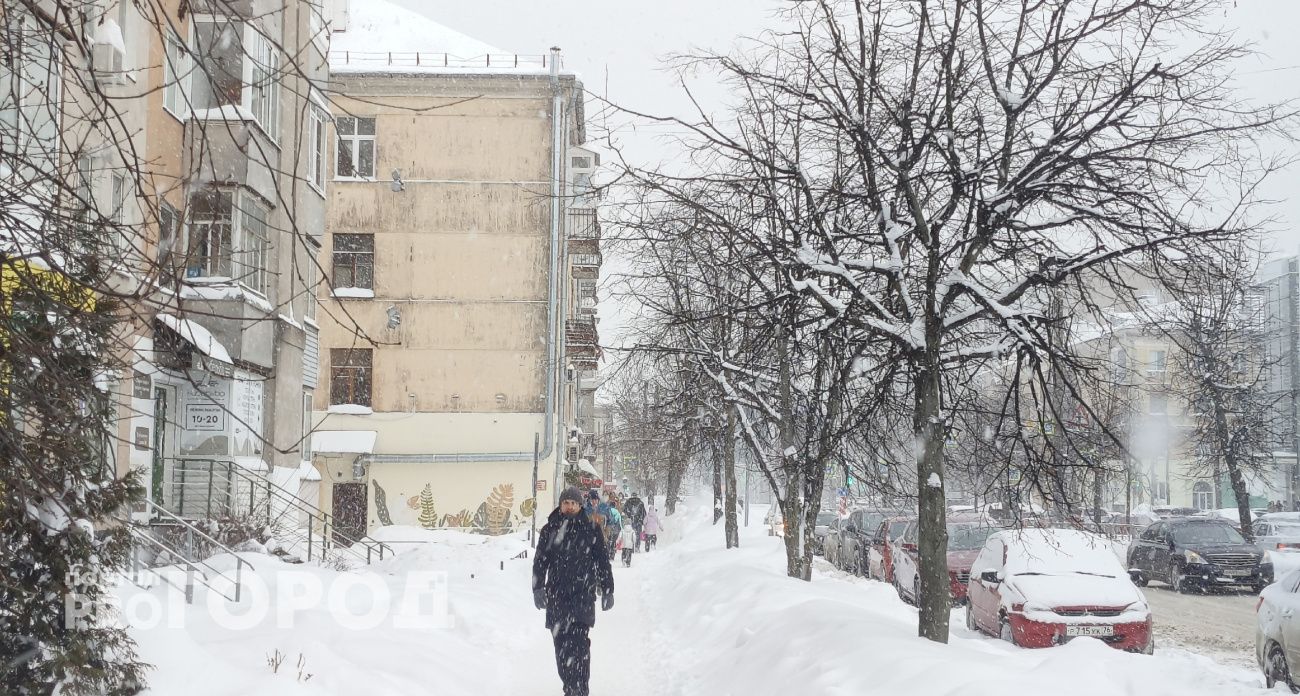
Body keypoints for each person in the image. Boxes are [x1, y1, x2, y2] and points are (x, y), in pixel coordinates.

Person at [533, 487, 614, 696]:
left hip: (582, 598)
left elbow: (602, 562)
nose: (570, 507)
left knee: (580, 650)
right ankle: (570, 686)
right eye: (566, 503)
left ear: (580, 506)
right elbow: (540, 561)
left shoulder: (591, 529)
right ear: (561, 505)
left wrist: (608, 590)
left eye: (573, 503)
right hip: (557, 599)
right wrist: (538, 588)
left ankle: (579, 689)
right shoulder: (550, 530)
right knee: (561, 650)